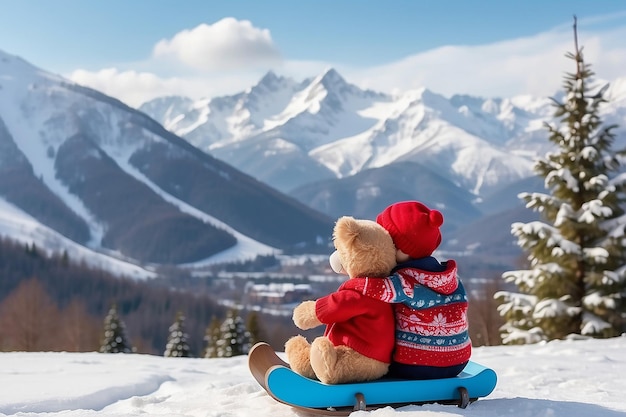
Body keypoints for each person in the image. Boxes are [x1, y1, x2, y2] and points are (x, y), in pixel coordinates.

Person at [350, 201, 471, 379]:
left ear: (402, 250)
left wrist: (352, 281)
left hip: (415, 364)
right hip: (459, 361)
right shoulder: (452, 278)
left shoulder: (406, 281)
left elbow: (373, 288)